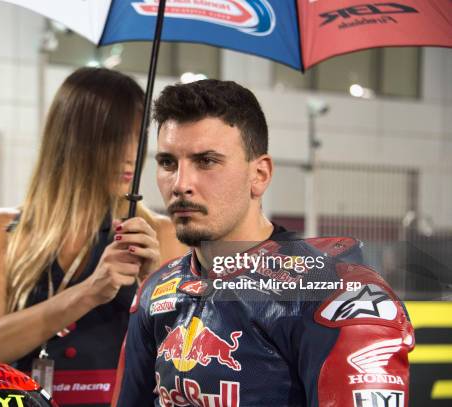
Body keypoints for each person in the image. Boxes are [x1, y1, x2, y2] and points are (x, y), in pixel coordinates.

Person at [113, 80, 415, 406]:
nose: (181, 184)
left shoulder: (337, 295)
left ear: (260, 174)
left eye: (206, 161)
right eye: (168, 163)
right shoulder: (156, 291)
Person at [0, 68, 186, 406]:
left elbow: (182, 359)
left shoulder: (160, 234)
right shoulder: (0, 230)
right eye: (115, 137)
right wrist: (89, 292)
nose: (132, 154)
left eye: (139, 136)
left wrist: (151, 284)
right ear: (73, 140)